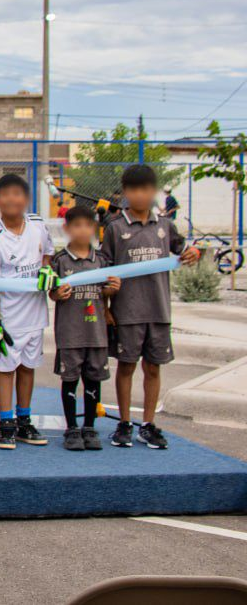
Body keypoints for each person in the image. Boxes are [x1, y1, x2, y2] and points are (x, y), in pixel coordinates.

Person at [101, 165, 199, 449]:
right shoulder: (115, 228)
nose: (140, 195)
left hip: (158, 311)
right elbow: (104, 271)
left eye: (145, 189)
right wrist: (107, 305)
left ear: (153, 192)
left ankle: (148, 424)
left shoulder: (165, 226)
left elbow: (184, 250)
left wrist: (192, 253)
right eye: (133, 189)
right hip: (126, 313)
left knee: (153, 369)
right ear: (125, 193)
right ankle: (123, 423)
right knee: (126, 367)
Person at [0, 174, 55, 450]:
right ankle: (6, 423)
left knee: (27, 369)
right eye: (6, 194)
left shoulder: (38, 225)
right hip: (8, 318)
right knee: (6, 369)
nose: (13, 199)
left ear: (26, 199)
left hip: (35, 315)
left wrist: (47, 268)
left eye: (18, 194)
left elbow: (47, 254)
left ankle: (24, 420)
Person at [51, 205, 120, 452]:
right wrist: (58, 293)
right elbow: (51, 292)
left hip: (96, 334)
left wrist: (112, 289)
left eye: (88, 225)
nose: (82, 230)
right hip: (69, 334)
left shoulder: (102, 261)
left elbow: (108, 292)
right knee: (70, 380)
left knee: (93, 380)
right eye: (76, 225)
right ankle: (71, 427)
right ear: (67, 229)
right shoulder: (60, 261)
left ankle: (89, 426)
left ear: (95, 228)